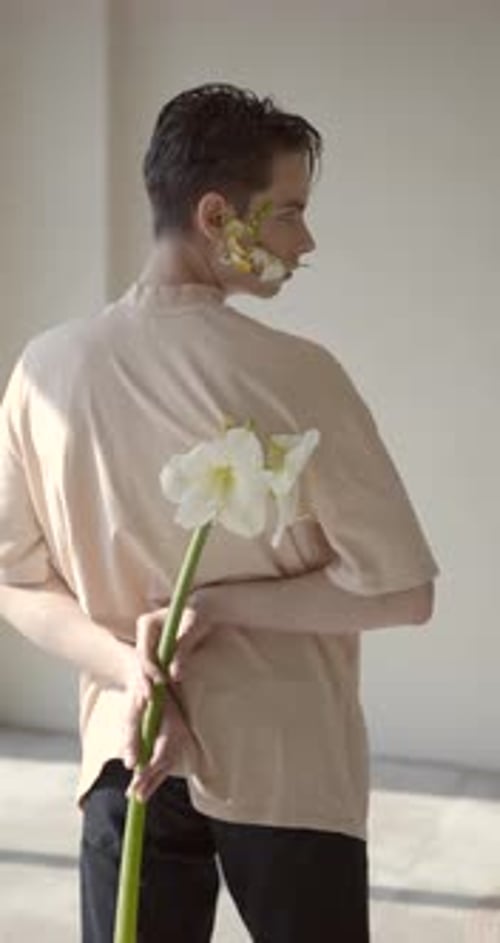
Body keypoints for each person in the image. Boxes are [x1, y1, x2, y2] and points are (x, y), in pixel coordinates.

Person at [0, 83, 438, 942]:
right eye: (290, 213)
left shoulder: (45, 371)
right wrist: (219, 606)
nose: (305, 242)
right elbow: (403, 590)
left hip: (126, 752)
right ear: (214, 215)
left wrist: (130, 669)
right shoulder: (298, 375)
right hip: (287, 773)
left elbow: (14, 580)